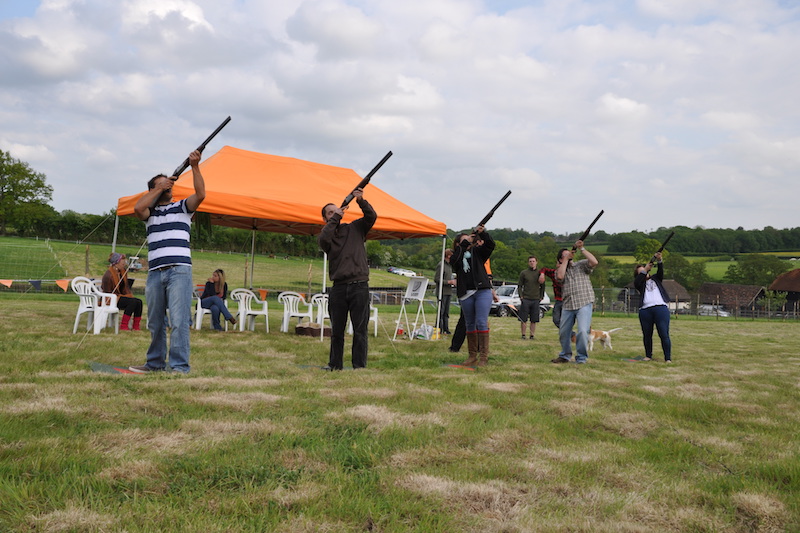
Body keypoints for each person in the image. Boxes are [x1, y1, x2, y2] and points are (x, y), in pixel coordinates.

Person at [129, 150, 206, 374]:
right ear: (153, 189)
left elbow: (200, 195)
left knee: (180, 320)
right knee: (155, 321)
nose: (168, 186)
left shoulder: (182, 207)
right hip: (155, 273)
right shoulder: (149, 213)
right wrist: (159, 188)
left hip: (179, 271)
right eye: (161, 185)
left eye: (168, 184)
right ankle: (154, 364)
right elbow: (137, 208)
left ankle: (179, 367)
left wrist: (195, 167)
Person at [318, 188, 377, 370]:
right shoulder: (327, 235)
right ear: (325, 218)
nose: (334, 213)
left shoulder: (355, 228)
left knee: (360, 330)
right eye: (330, 212)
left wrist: (361, 200)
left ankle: (359, 366)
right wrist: (336, 217)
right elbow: (323, 239)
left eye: (336, 210)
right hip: (339, 288)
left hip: (359, 286)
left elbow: (371, 217)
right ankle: (335, 365)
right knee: (337, 331)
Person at [449, 226, 495, 367]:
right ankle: (472, 356)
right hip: (466, 292)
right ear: (458, 244)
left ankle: (483, 357)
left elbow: (490, 245)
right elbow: (454, 262)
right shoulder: (456, 256)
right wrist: (464, 244)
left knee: (481, 322)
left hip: (482, 290)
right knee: (469, 324)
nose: (468, 242)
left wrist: (483, 233)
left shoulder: (478, 253)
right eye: (463, 241)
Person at [552, 240, 598, 364]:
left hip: (584, 301)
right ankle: (565, 355)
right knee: (563, 332)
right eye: (565, 255)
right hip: (568, 304)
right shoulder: (559, 271)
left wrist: (582, 249)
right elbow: (560, 277)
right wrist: (566, 260)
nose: (569, 256)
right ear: (560, 260)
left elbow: (594, 262)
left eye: (570, 254)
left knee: (583, 331)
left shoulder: (581, 265)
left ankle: (582, 358)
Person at [634, 252, 672, 363]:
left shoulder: (656, 279)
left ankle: (667, 358)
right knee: (647, 334)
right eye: (640, 271)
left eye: (644, 270)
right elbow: (637, 282)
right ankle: (648, 355)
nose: (644, 272)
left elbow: (661, 272)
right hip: (645, 310)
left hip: (660, 308)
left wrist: (659, 260)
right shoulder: (639, 283)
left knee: (663, 333)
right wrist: (644, 269)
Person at [101, 252, 143, 331]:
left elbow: (125, 287)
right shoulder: (108, 275)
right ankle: (124, 325)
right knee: (132, 302)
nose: (124, 263)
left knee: (139, 302)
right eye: (122, 262)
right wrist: (119, 297)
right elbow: (107, 292)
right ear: (116, 263)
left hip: (119, 296)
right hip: (110, 298)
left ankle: (136, 326)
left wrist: (128, 295)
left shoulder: (122, 272)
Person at [517, 255, 544, 339]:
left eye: (533, 261)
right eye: (530, 261)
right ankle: (523, 335)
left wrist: (541, 296)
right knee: (523, 319)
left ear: (536, 262)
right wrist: (521, 296)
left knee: (534, 319)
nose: (532, 263)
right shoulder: (524, 273)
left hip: (536, 299)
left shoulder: (540, 273)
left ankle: (532, 335)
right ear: (528, 263)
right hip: (526, 298)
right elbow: (520, 286)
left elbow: (543, 286)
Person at [540, 250, 566, 328]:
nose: (558, 265)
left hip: (568, 300)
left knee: (567, 319)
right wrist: (542, 274)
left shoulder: (569, 273)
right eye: (558, 263)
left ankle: (567, 334)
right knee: (556, 319)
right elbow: (543, 269)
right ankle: (570, 333)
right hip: (558, 300)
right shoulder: (553, 273)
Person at [434, 249, 455, 335]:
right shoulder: (441, 265)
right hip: (442, 292)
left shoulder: (450, 266)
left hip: (449, 291)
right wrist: (448, 282)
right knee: (441, 311)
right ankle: (439, 328)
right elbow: (437, 279)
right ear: (448, 256)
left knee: (446, 312)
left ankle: (446, 328)